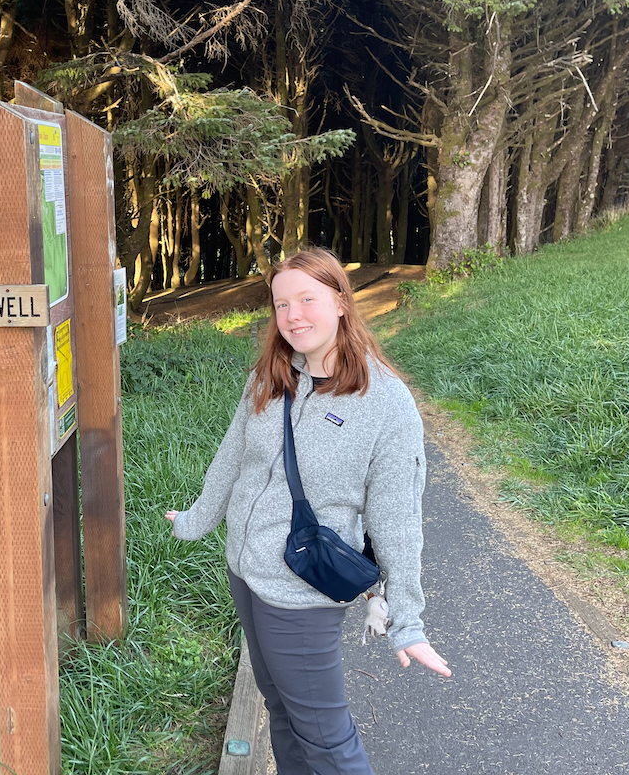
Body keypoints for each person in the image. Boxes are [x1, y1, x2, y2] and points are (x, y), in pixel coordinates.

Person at [164, 247, 450, 775]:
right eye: (280, 304)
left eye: (307, 299)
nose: (293, 316)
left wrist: (407, 619)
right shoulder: (271, 376)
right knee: (280, 708)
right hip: (245, 574)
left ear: (341, 301)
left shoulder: (385, 403)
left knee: (324, 736)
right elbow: (233, 456)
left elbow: (398, 519)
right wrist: (196, 519)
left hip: (300, 594)